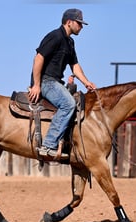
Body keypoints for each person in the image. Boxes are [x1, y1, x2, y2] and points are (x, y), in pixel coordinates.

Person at [28, 8, 96, 160]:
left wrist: (86, 82)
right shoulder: (55, 37)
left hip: (56, 82)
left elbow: (75, 65)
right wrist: (37, 85)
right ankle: (49, 144)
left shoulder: (70, 42)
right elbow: (38, 58)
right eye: (79, 23)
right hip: (46, 81)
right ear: (69, 22)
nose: (81, 27)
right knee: (68, 104)